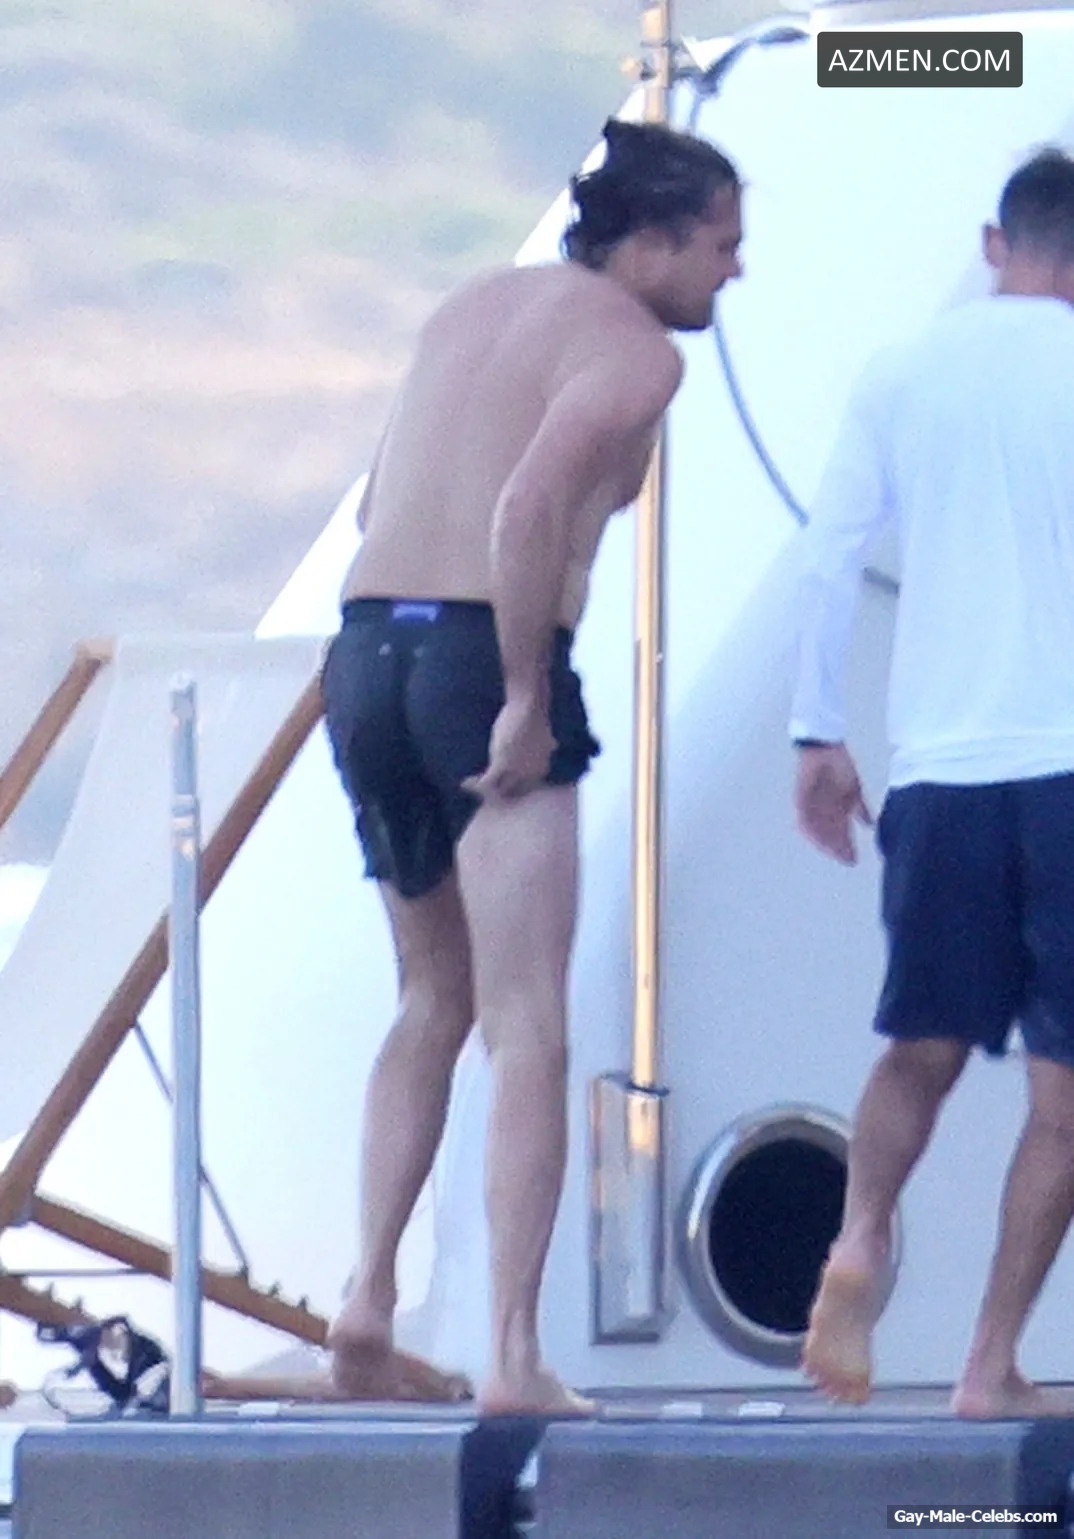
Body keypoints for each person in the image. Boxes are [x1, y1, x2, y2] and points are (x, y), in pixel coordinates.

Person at [318, 118, 744, 1415]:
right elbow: (524, 507)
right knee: (529, 1027)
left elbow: (374, 504)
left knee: (428, 999)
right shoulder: (634, 354)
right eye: (721, 247)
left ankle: (364, 1305)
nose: (734, 273)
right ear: (653, 242)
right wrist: (519, 695)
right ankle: (512, 1353)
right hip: (473, 660)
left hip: (366, 651)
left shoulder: (469, 308)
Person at [790, 147, 1074, 1419]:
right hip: (1069, 773)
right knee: (1064, 1098)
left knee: (920, 1049)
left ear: (993, 244)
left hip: (943, 775)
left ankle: (859, 1236)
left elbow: (827, 557)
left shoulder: (902, 373)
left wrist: (817, 734)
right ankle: (988, 1363)